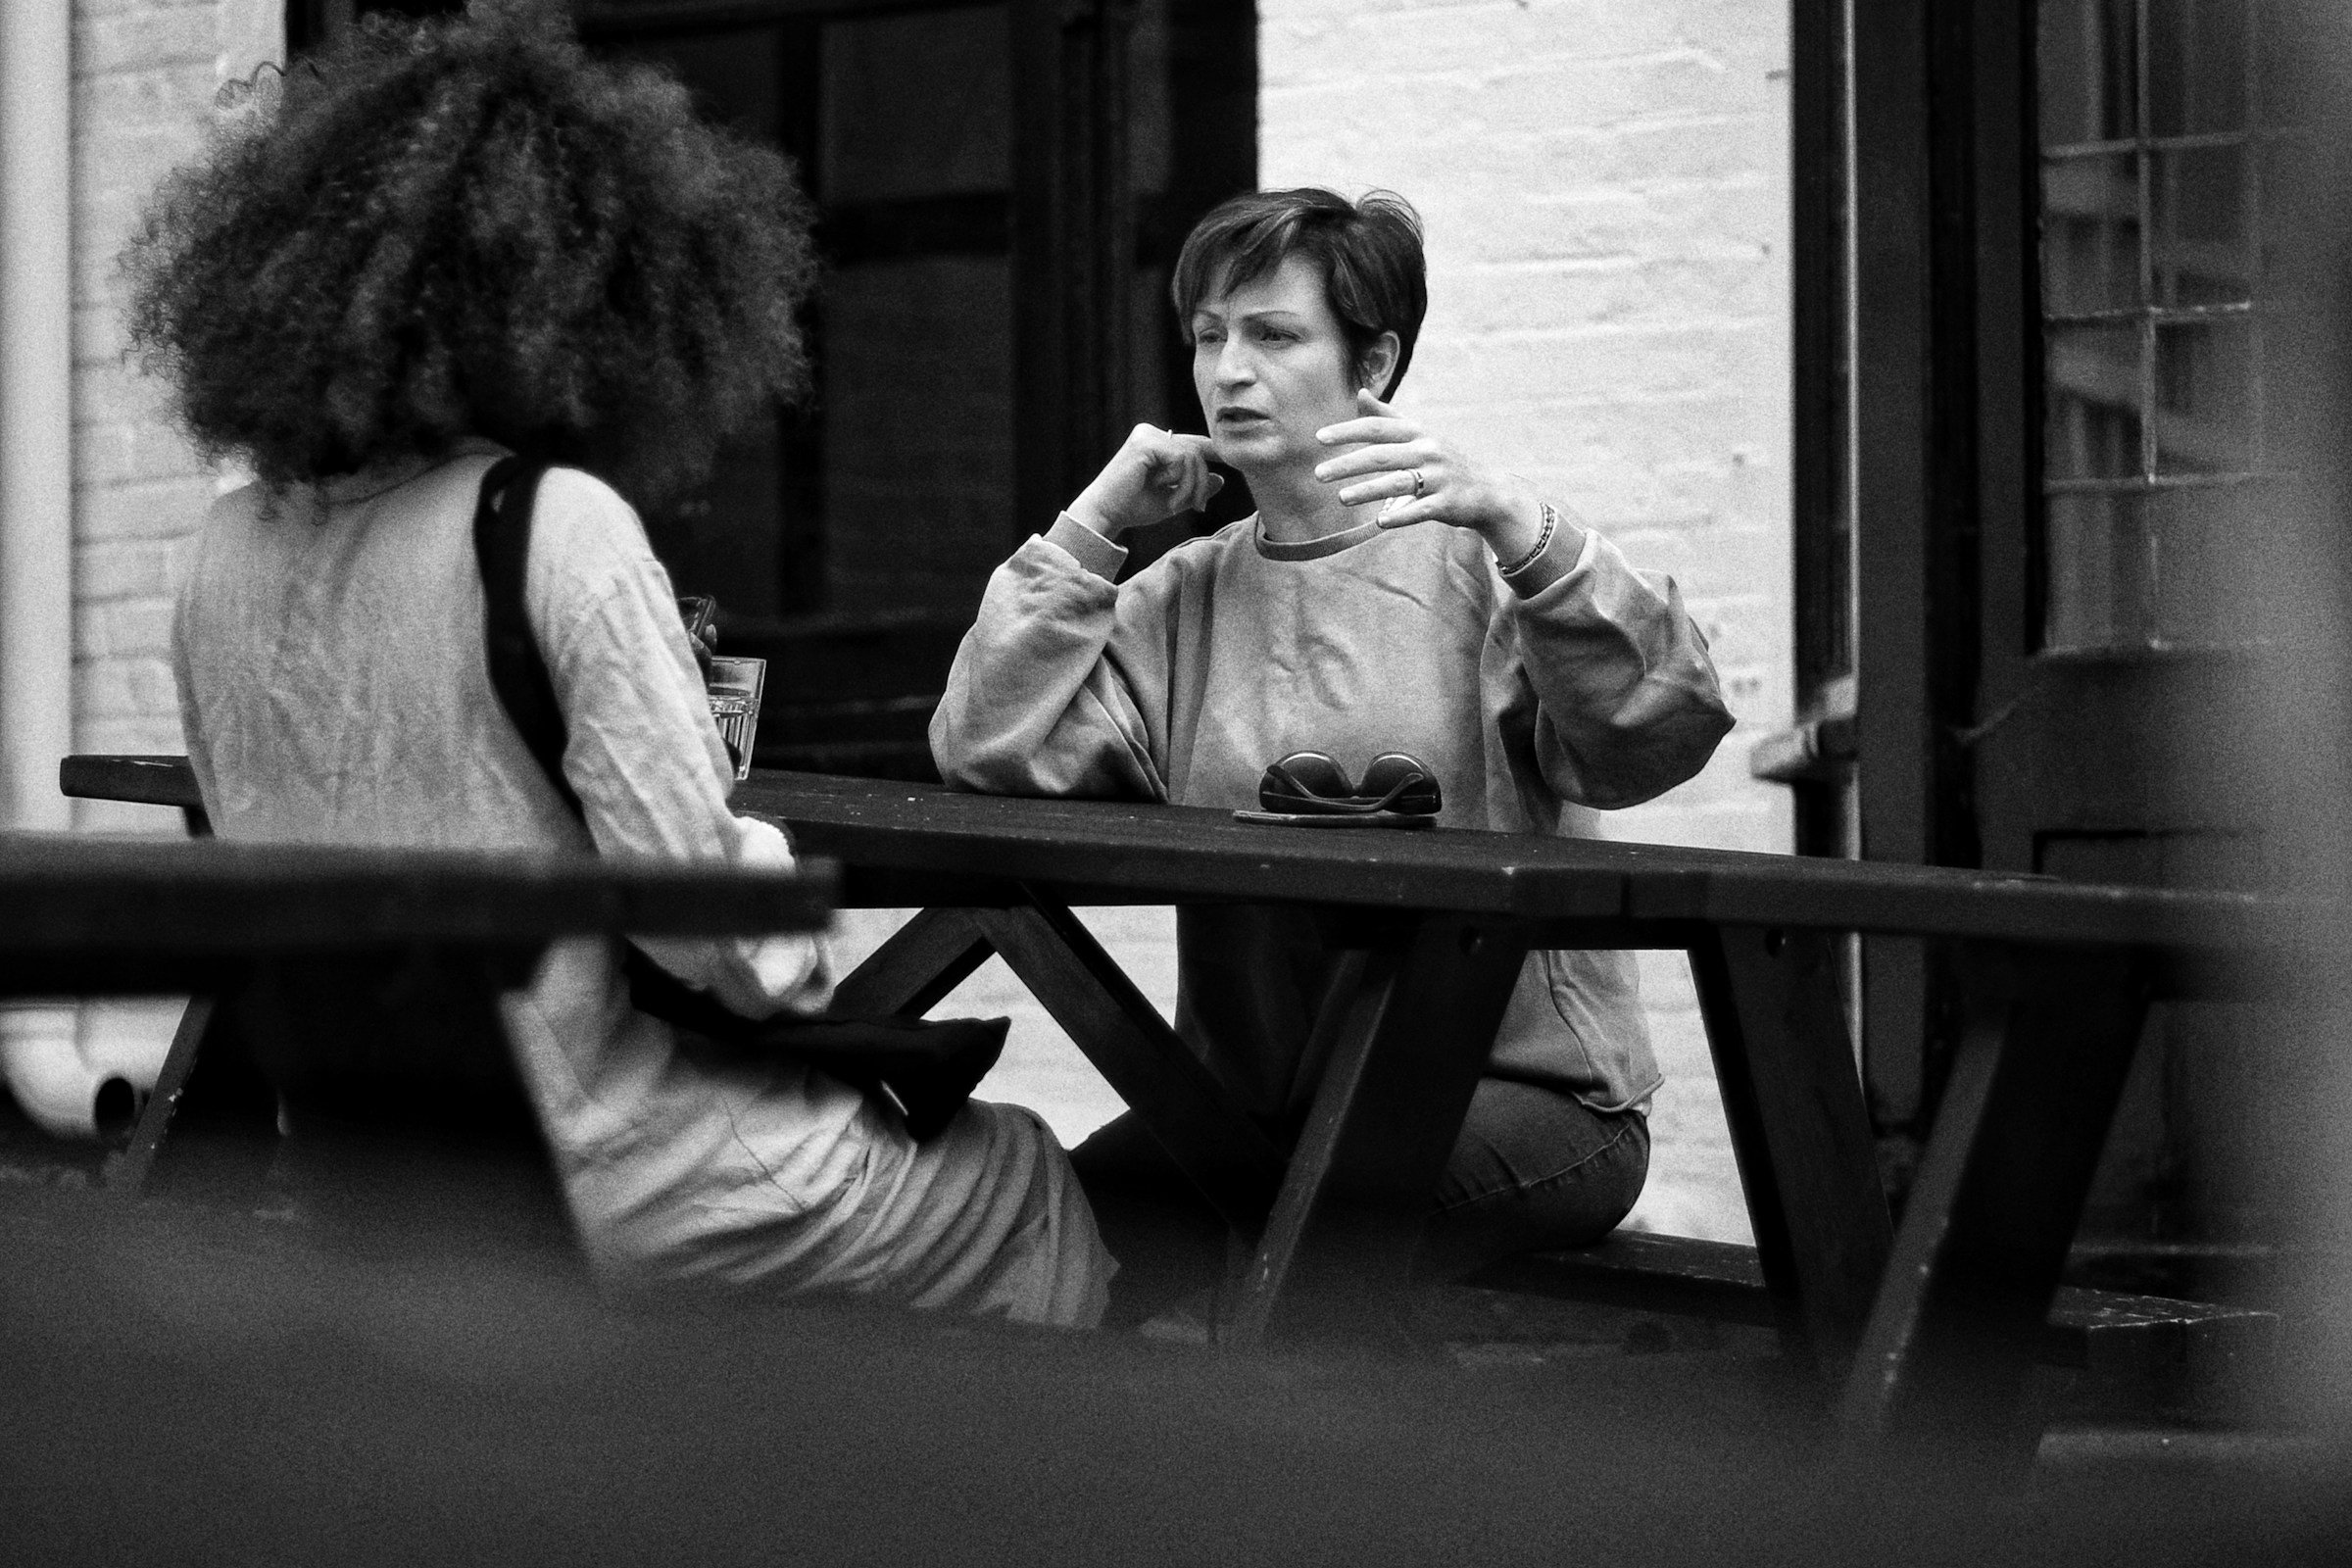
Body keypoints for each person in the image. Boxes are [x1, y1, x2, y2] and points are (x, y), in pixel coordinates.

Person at [132, 1, 1110, 1327]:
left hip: (375, 1178)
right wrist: (771, 893)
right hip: (621, 1174)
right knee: (1021, 1177)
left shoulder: (218, 553)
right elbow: (706, 927)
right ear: (577, 300)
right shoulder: (546, 525)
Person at [929, 187, 1733, 1322]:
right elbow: (981, 747)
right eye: (1209, 334)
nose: (1228, 371)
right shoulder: (1182, 599)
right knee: (1033, 1248)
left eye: (1274, 334)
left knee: (1303, 1238)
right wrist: (1092, 521)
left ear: (1376, 364)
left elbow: (1657, 730)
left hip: (1529, 1099)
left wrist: (1525, 525)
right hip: (1256, 1114)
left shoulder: (1483, 573)